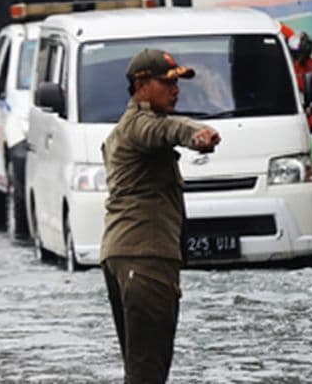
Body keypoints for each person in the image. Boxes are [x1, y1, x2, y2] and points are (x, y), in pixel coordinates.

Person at [100, 49, 221, 384]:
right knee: (148, 373)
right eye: (167, 82)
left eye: (177, 82)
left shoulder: (125, 128)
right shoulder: (138, 125)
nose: (176, 90)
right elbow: (167, 130)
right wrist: (196, 135)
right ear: (141, 84)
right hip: (146, 256)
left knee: (139, 369)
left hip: (124, 255)